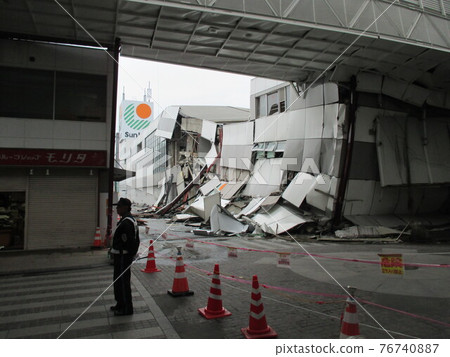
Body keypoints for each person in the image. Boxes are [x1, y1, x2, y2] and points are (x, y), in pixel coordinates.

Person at [110, 198, 140, 316]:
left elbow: (130, 242)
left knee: (123, 283)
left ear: (125, 207)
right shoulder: (126, 220)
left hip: (124, 256)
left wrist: (128, 253)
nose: (117, 209)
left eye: (119, 207)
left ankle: (127, 308)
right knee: (118, 282)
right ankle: (120, 304)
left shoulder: (127, 222)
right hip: (121, 255)